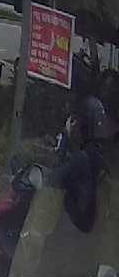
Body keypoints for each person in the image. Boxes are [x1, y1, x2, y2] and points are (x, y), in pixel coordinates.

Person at [52, 95, 111, 233]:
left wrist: (65, 137)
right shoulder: (98, 157)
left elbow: (54, 180)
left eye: (75, 122)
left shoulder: (81, 158)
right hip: (89, 229)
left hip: (72, 228)